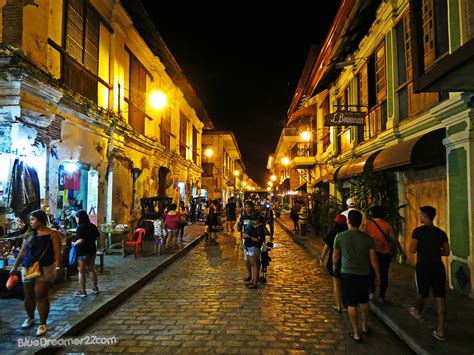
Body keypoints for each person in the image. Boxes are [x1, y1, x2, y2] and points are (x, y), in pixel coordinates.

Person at [10, 210, 62, 336]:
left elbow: (57, 252)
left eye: (33, 219)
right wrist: (15, 266)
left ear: (41, 220)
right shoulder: (29, 233)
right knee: (28, 295)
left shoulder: (53, 234)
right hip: (28, 267)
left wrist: (57, 268)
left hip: (45, 268)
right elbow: (23, 251)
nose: (31, 222)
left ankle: (42, 324)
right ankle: (30, 318)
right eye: (30, 219)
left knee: (41, 295)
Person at [333, 210, 380, 343]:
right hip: (364, 273)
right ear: (360, 223)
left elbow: (335, 256)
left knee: (351, 304)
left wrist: (335, 268)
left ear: (348, 222)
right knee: (364, 301)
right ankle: (365, 326)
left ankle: (356, 333)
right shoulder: (367, 238)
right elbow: (373, 259)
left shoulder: (340, 237)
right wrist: (377, 275)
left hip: (347, 273)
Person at [409, 206, 450, 341]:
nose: (419, 217)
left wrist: (423, 247)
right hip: (438, 266)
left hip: (423, 267)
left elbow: (412, 250)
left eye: (421, 215)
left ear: (426, 216)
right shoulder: (441, 233)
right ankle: (441, 330)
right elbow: (446, 252)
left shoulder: (418, 232)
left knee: (422, 292)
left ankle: (417, 312)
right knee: (440, 297)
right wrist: (435, 250)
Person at [366, 205, 400, 303]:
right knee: (384, 274)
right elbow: (393, 239)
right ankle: (382, 296)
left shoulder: (368, 224)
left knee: (371, 273)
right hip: (385, 253)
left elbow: (364, 237)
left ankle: (371, 293)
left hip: (372, 252)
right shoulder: (387, 225)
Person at [320, 214, 348, 312]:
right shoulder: (348, 233)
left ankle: (338, 305)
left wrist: (322, 258)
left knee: (336, 284)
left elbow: (326, 246)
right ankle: (346, 305)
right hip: (346, 261)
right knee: (345, 284)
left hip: (335, 260)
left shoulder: (333, 233)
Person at [73, 210, 100, 298]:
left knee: (81, 271)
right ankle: (95, 288)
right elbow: (97, 237)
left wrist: (74, 244)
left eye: (76, 218)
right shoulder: (93, 226)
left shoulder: (80, 228)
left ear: (79, 218)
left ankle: (82, 291)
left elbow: (81, 240)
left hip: (82, 252)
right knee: (92, 269)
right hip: (92, 250)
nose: (76, 219)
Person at [237, 201, 258, 284]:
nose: (247, 209)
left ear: (252, 207)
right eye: (246, 207)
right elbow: (239, 228)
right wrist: (239, 226)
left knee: (255, 259)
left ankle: (255, 277)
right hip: (246, 240)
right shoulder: (243, 217)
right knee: (246, 258)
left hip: (254, 239)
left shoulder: (256, 216)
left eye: (248, 207)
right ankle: (250, 275)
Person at [243, 214, 265, 289]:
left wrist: (250, 237)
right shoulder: (254, 226)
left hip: (254, 247)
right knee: (252, 265)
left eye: (255, 220)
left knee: (254, 265)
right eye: (253, 220)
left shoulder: (259, 228)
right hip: (250, 247)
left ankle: (255, 282)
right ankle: (252, 280)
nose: (253, 221)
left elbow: (259, 240)